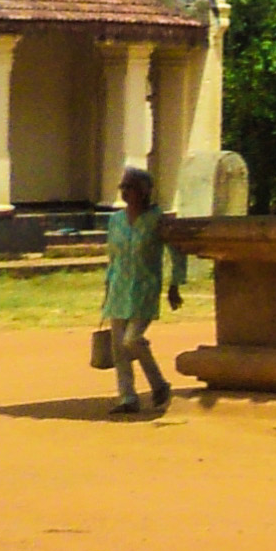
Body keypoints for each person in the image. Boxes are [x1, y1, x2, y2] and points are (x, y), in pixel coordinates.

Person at [101, 164, 186, 415]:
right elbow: (113, 257)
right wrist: (107, 287)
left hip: (145, 288)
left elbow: (176, 252)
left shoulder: (157, 219)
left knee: (132, 340)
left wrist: (175, 284)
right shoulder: (116, 221)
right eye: (123, 187)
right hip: (119, 288)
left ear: (144, 190)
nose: (125, 192)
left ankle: (159, 384)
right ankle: (127, 397)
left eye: (130, 187)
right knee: (119, 348)